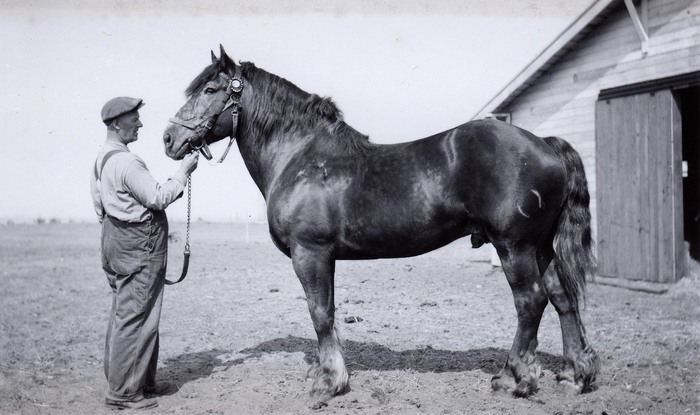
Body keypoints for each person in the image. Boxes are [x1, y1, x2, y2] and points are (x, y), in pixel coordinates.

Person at [90, 96, 199, 410]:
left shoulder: (102, 158)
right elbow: (157, 197)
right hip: (139, 245)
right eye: (134, 119)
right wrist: (184, 171)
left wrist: (119, 226)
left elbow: (99, 206)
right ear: (116, 124)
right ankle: (123, 393)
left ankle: (142, 383)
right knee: (136, 317)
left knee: (130, 313)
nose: (139, 123)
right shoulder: (128, 162)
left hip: (114, 239)